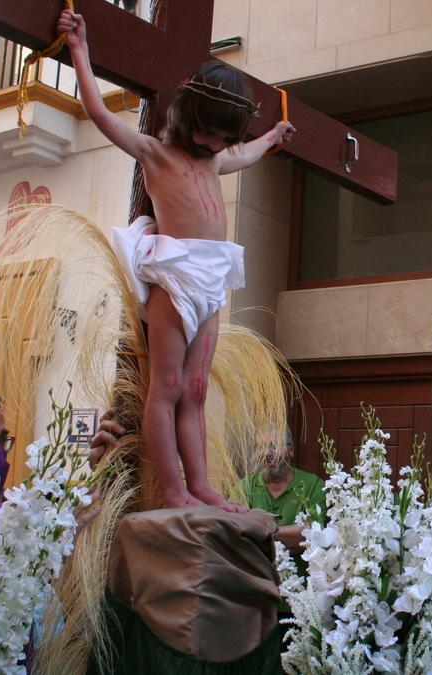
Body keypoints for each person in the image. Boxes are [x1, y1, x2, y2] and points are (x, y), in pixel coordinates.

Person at [58, 9, 295, 513]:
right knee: (164, 387)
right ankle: (172, 488)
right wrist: (80, 50)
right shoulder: (157, 155)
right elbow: (100, 113)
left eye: (222, 138)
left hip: (212, 280)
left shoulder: (217, 159)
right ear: (189, 116)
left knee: (195, 387)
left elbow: (246, 154)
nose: (212, 145)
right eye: (207, 133)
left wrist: (273, 138)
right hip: (176, 276)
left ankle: (202, 485)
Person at [235, 428, 324, 553]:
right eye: (261, 447)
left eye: (274, 446)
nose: (267, 453)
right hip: (253, 571)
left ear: (291, 450)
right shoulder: (244, 487)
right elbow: (234, 530)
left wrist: (262, 532)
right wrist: (291, 535)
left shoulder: (313, 486)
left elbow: (314, 534)